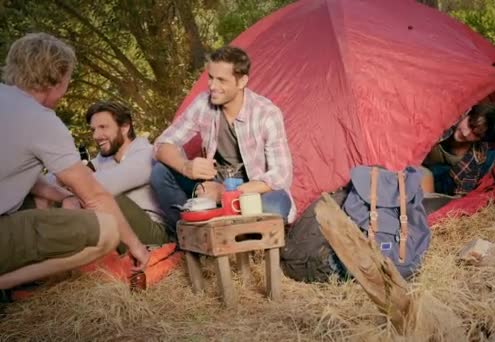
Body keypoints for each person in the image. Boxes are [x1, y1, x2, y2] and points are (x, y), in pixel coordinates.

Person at [0, 33, 149, 296]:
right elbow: (96, 195)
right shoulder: (39, 119)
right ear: (57, 78)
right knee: (108, 230)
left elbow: (12, 171)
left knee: (41, 202)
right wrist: (136, 246)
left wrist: (64, 193)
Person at [151, 46, 294, 232]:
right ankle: (193, 237)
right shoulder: (204, 103)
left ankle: (239, 236)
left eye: (221, 80)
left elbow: (281, 175)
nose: (212, 86)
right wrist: (186, 167)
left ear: (242, 81)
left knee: (274, 208)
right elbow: (161, 145)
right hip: (212, 186)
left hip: (252, 190)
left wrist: (226, 194)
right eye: (210, 77)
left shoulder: (266, 113)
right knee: (160, 172)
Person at [84, 101, 172, 247]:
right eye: (93, 130)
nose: (96, 136)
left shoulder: (147, 154)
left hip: (155, 232)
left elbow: (105, 186)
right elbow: (65, 174)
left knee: (106, 197)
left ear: (125, 127)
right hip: (122, 231)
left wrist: (73, 183)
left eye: (103, 127)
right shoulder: (104, 160)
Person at [422, 103, 495, 196]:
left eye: (475, 135)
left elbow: (460, 194)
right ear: (468, 113)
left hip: (447, 174)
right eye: (470, 124)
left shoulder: (472, 163)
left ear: (480, 140)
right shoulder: (447, 120)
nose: (466, 133)